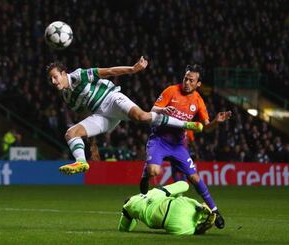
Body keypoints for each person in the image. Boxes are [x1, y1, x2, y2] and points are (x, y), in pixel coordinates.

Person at [46, 56, 203, 175]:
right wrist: (93, 144)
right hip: (101, 115)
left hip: (112, 99)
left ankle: (185, 124)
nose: (53, 81)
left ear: (64, 73)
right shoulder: (67, 97)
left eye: (55, 76)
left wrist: (133, 69)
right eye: (51, 78)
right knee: (71, 133)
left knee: (142, 117)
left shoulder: (79, 76)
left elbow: (108, 71)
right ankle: (81, 162)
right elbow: (86, 113)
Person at [139, 64, 232, 229]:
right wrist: (162, 110)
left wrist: (216, 122)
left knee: (195, 178)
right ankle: (145, 176)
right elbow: (153, 109)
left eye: (191, 80)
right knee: (154, 171)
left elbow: (206, 127)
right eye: (185, 78)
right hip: (159, 139)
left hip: (178, 145)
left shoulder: (198, 101)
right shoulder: (171, 90)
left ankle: (215, 210)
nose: (187, 82)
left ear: (198, 84)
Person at [118, 181, 216, 235]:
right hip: (176, 206)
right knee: (184, 201)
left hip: (169, 222)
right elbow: (184, 185)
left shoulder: (128, 207)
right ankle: (202, 209)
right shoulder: (154, 191)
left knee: (188, 229)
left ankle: (199, 228)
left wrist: (133, 218)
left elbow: (124, 229)